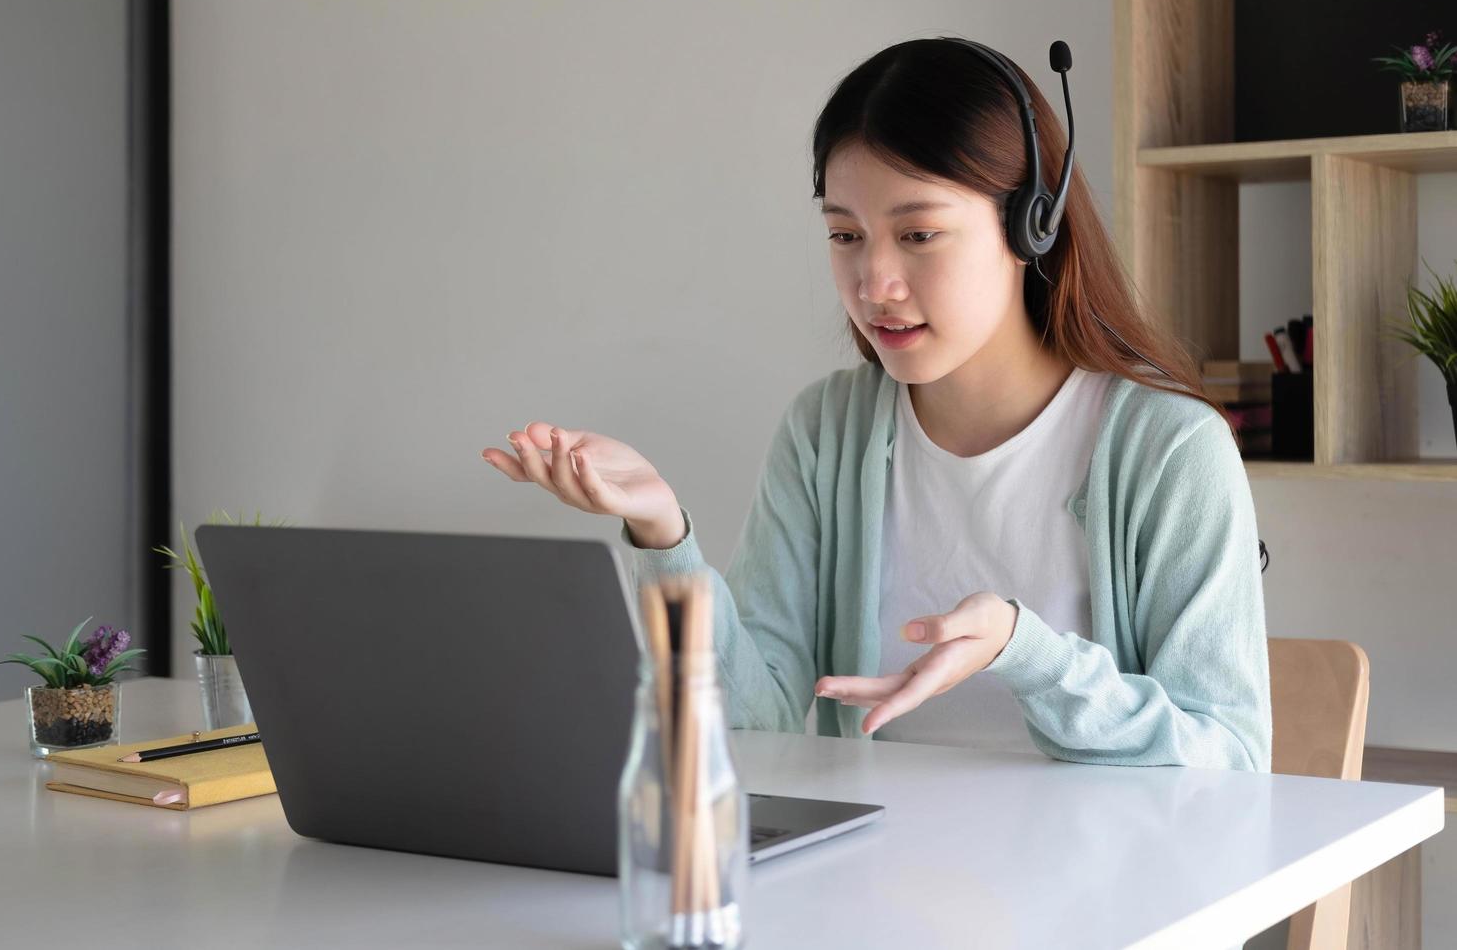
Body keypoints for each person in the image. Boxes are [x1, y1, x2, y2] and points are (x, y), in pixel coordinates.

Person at [480, 37, 1271, 772]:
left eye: (917, 235)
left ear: (1033, 225)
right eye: (844, 235)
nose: (873, 284)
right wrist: (663, 534)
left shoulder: (1167, 450)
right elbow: (757, 716)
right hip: (863, 893)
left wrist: (1027, 654)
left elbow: (1231, 760)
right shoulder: (826, 432)